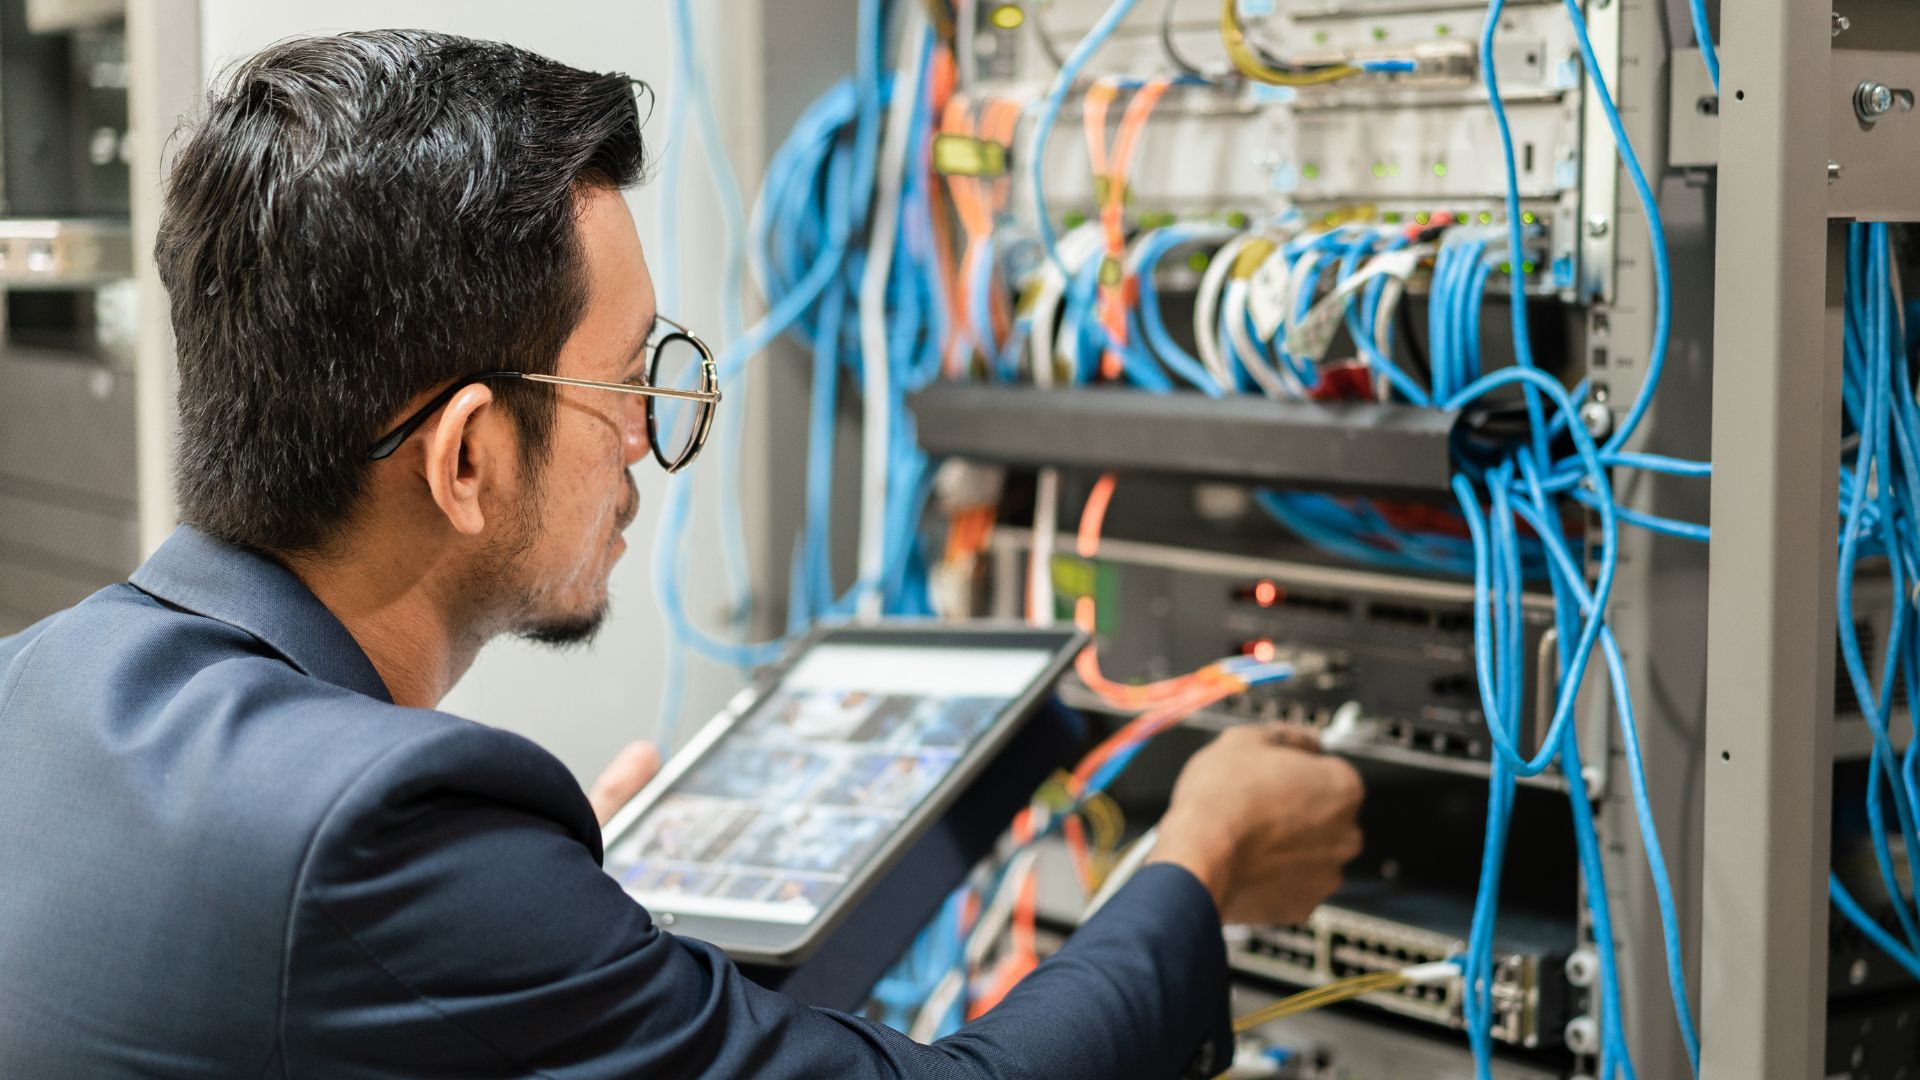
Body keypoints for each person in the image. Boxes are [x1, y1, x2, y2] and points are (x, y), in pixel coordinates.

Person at [0, 30, 1365, 1078]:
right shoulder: (386, 836)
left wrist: (577, 949)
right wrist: (1203, 860)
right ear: (466, 457)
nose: (649, 444)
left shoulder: (39, 684)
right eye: (629, 385)